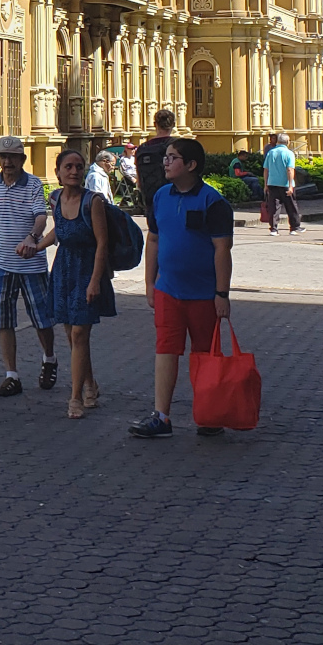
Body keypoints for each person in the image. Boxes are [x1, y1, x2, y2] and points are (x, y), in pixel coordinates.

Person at [128, 138, 233, 440]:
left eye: (172, 157)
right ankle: (161, 416)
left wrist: (222, 294)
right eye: (166, 157)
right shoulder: (160, 196)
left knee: (205, 355)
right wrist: (150, 283)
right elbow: (154, 240)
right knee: (165, 350)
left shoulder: (213, 202)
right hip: (168, 291)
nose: (165, 162)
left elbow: (222, 249)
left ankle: (208, 414)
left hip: (203, 295)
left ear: (191, 165)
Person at [0, 135, 59, 397]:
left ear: (22, 159)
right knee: (3, 320)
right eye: (3, 157)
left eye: (12, 157)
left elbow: (41, 217)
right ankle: (12, 375)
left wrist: (32, 238)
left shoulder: (33, 184)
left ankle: (49, 358)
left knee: (42, 318)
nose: (7, 162)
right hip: (1, 264)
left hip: (31, 265)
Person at [37, 149, 112, 419]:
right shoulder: (55, 198)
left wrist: (95, 281)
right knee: (72, 335)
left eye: (79, 167)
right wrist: (35, 246)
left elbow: (102, 243)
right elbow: (59, 230)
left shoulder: (93, 201)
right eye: (68, 167)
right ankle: (90, 384)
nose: (74, 171)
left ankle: (75, 397)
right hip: (63, 269)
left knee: (80, 334)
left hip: (87, 270)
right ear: (57, 172)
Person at [133, 109, 177, 221]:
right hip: (174, 198)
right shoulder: (178, 146)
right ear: (173, 124)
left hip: (150, 200)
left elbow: (139, 179)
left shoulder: (142, 148)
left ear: (154, 124)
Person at [262, 132, 300, 235]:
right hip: (285, 184)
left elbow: (266, 169)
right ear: (287, 142)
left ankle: (273, 229)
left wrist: (265, 184)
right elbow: (290, 169)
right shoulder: (289, 153)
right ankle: (294, 227)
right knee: (291, 206)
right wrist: (291, 185)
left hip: (272, 183)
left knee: (274, 207)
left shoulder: (271, 152)